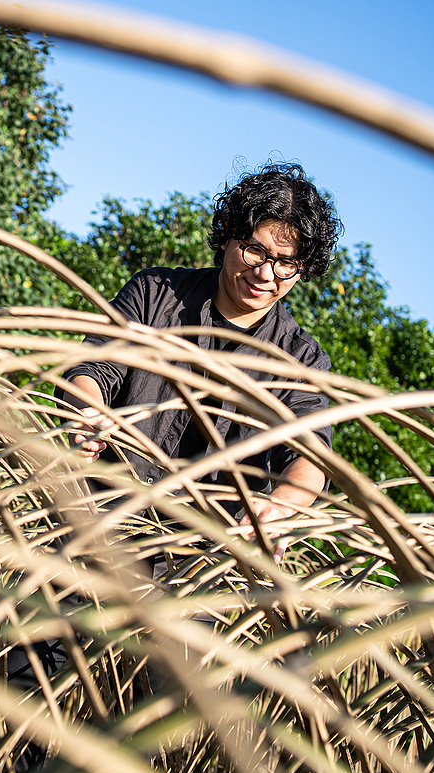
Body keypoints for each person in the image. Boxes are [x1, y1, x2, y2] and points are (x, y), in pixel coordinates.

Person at [61, 161, 343, 545]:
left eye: (285, 263)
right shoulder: (154, 293)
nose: (265, 274)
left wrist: (284, 505)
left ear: (301, 268)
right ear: (227, 235)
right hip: (91, 518)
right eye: (254, 250)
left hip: (194, 564)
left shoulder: (301, 360)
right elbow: (92, 367)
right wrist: (87, 413)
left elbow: (309, 453)